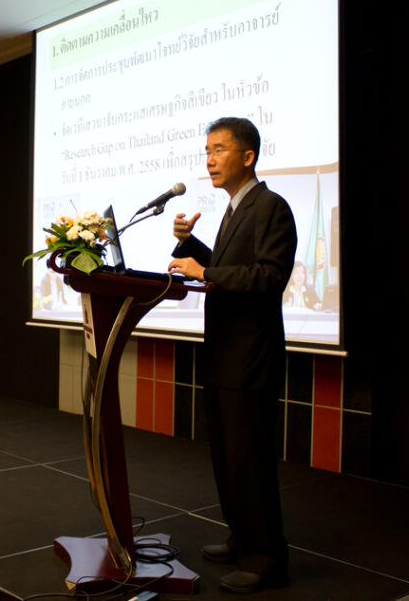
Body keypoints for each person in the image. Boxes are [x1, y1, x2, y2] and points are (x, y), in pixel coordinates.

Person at [167, 117, 297, 594]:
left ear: (248, 156)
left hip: (251, 358)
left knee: (250, 462)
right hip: (225, 354)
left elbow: (268, 277)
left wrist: (204, 270)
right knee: (226, 459)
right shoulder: (234, 209)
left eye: (219, 149)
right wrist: (190, 246)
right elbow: (228, 268)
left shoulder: (271, 207)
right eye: (206, 151)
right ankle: (243, 538)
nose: (209, 160)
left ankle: (266, 560)